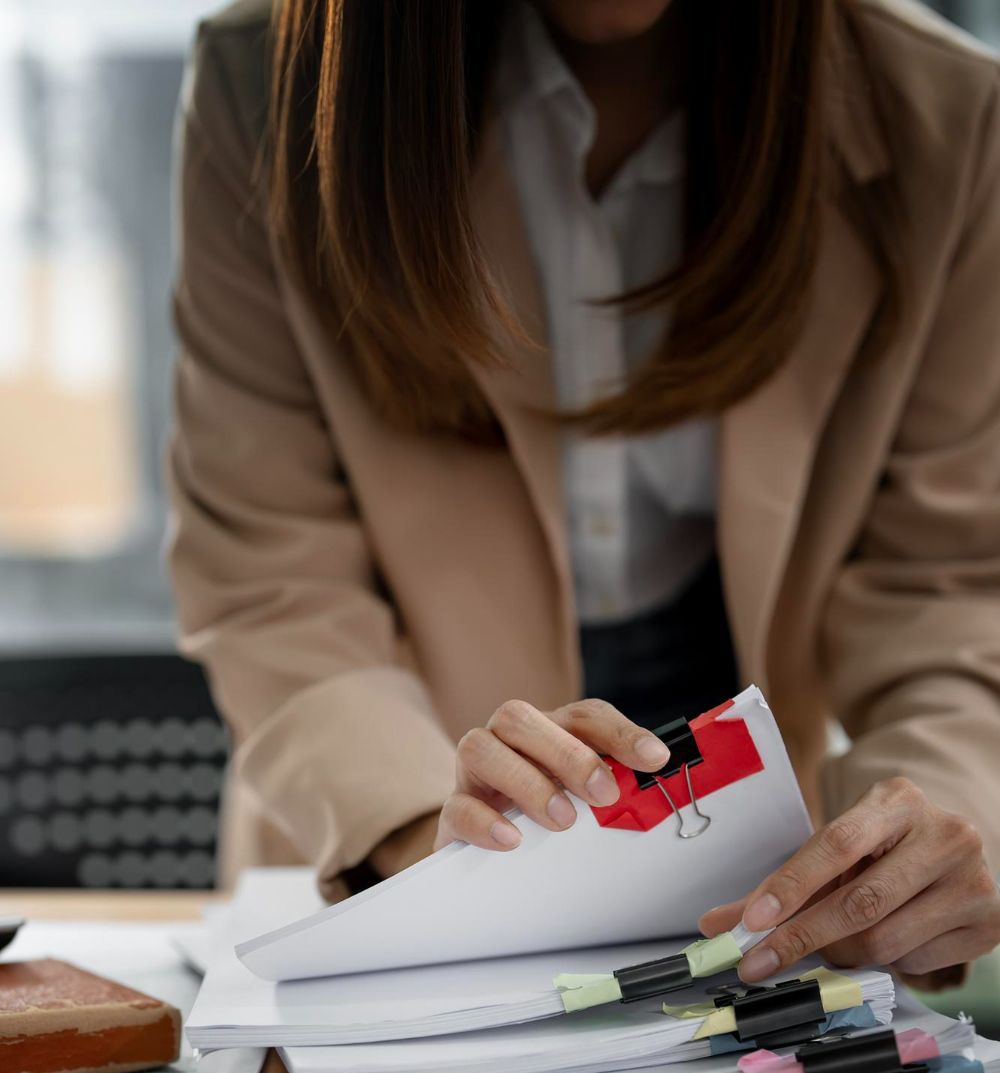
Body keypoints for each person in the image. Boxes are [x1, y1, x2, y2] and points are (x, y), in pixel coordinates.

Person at [169, 0, 1000, 988]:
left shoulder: (950, 114)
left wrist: (930, 817)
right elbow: (271, 574)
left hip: (751, 827)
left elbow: (946, 586)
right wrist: (423, 838)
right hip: (402, 799)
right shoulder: (260, 84)